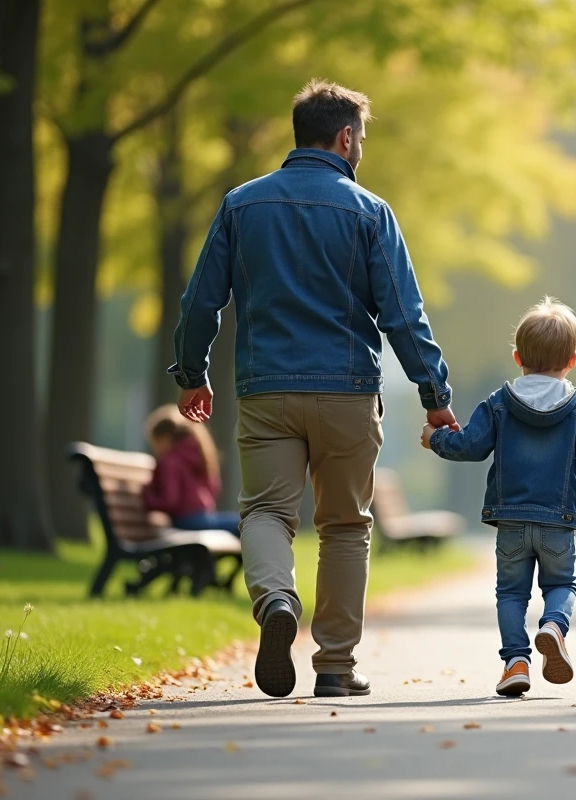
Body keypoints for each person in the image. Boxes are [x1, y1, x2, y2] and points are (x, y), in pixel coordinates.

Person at [168, 80, 457, 700]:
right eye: (362, 140)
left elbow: (199, 304)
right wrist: (435, 394)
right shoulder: (369, 211)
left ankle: (276, 598)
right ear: (345, 137)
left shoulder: (241, 205)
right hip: (348, 392)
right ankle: (333, 665)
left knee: (267, 511)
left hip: (265, 389)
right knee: (344, 526)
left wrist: (193, 375)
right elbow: (403, 317)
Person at [421, 298, 576, 698]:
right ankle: (553, 625)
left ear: (517, 357)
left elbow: (471, 445)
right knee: (561, 584)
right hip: (558, 521)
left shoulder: (500, 403)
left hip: (511, 518)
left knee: (511, 592)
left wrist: (436, 440)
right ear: (572, 360)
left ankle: (516, 661)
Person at [142, 405, 240, 537]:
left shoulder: (169, 461)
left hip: (184, 520)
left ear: (165, 438)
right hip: (198, 518)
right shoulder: (198, 454)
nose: (155, 449)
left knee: (246, 524)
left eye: (155, 442)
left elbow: (169, 501)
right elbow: (214, 488)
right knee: (246, 524)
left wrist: (148, 496)